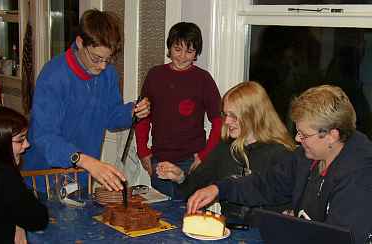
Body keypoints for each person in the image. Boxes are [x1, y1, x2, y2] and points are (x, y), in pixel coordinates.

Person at [187, 85, 372, 244]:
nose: (298, 139)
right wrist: (219, 189)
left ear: (332, 135)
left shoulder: (360, 178)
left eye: (304, 135)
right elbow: (268, 184)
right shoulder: (307, 157)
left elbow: (338, 239)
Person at [23, 9, 150, 192]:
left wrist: (132, 112)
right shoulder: (54, 76)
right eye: (97, 58)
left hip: (81, 176)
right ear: (80, 43)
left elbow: (111, 118)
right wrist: (84, 160)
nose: (103, 66)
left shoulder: (108, 74)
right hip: (43, 179)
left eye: (108, 59)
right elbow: (44, 136)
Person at [156, 81, 296, 225]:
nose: (227, 121)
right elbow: (193, 190)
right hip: (228, 231)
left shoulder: (281, 154)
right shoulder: (224, 148)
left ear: (254, 115)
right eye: (225, 114)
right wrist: (180, 178)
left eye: (234, 116)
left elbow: (282, 207)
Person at [135, 22, 222, 199]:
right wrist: (143, 151)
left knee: (191, 214)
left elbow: (219, 121)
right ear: (169, 47)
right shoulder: (155, 75)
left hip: (192, 162)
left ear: (196, 52)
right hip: (160, 160)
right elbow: (142, 116)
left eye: (189, 52)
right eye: (177, 49)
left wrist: (204, 156)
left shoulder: (203, 79)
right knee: (163, 216)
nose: (182, 57)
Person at [0, 106, 48, 243]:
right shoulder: (4, 176)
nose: (27, 145)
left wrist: (18, 223)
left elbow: (9, 208)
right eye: (20, 140)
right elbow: (39, 220)